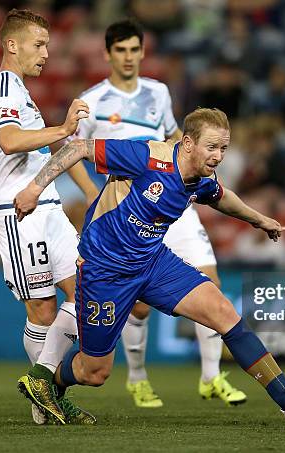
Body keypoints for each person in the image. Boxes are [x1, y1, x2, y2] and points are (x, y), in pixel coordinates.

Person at [15, 107, 285, 427]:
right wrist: (34, 189)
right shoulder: (147, 156)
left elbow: (221, 196)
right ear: (189, 143)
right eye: (212, 147)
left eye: (224, 148)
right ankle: (46, 382)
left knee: (223, 312)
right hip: (104, 270)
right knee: (94, 372)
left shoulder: (200, 177)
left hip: (153, 262)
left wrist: (259, 220)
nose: (219, 156)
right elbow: (79, 147)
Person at [65, 19, 247, 408]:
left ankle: (212, 377)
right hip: (125, 207)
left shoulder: (159, 92)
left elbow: (173, 139)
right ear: (108, 54)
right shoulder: (93, 99)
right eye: (121, 50)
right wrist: (94, 194)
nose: (129, 57)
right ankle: (137, 377)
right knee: (141, 303)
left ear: (143, 52)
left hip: (172, 192)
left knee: (209, 280)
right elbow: (74, 150)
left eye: (135, 49)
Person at [0, 8, 95, 425]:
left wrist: (92, 191)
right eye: (39, 44)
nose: (46, 53)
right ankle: (46, 397)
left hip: (46, 206)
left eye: (48, 45)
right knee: (43, 312)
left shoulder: (21, 92)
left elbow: (42, 149)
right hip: (18, 210)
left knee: (88, 291)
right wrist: (63, 128)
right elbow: (10, 142)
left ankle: (42, 382)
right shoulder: (1, 85)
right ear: (12, 44)